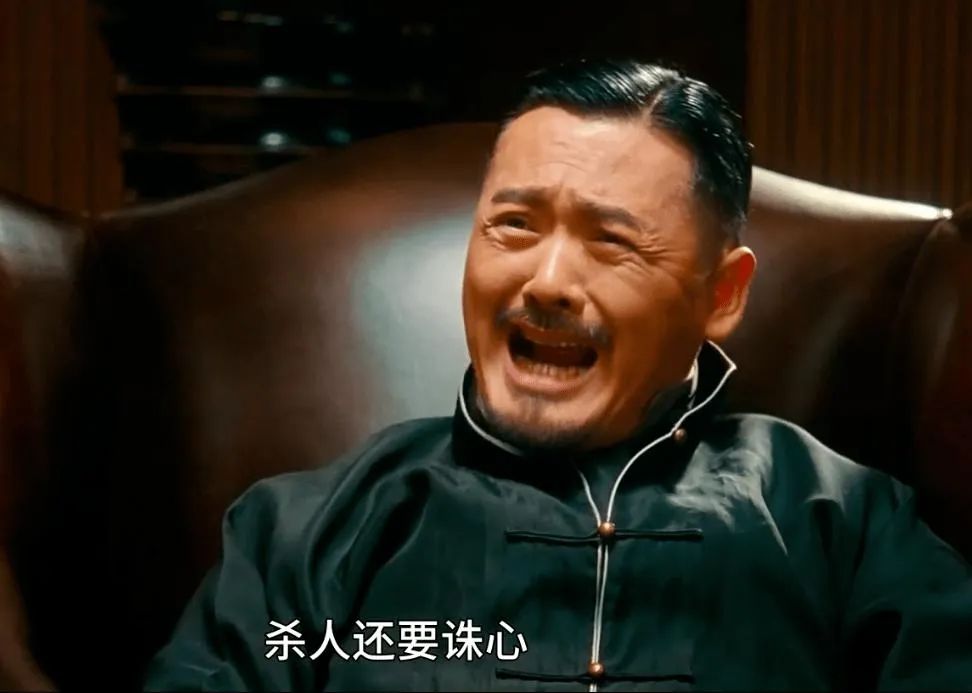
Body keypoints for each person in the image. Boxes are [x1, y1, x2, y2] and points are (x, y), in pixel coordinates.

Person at [143, 59, 972, 692]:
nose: (546, 282)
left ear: (721, 295)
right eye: (513, 225)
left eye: (611, 241)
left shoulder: (839, 521)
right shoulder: (304, 530)